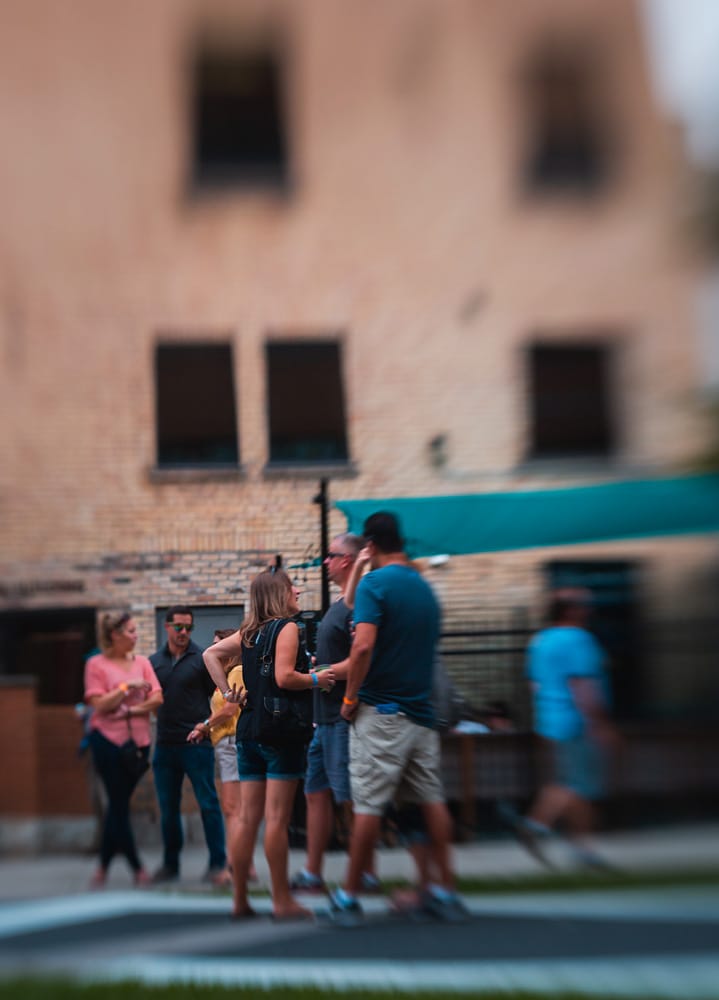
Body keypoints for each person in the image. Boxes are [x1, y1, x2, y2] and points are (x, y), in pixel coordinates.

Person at [331, 511, 467, 924]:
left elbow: (362, 647)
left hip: (382, 713)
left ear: (370, 546)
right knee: (431, 800)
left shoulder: (375, 584)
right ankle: (445, 890)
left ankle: (349, 897)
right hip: (421, 714)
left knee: (368, 806)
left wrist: (350, 698)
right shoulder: (424, 588)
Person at [203, 570, 336, 920]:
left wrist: (228, 693)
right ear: (279, 594)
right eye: (292, 587)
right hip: (280, 732)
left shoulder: (249, 632)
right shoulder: (286, 628)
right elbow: (284, 677)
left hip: (248, 732)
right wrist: (317, 679)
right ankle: (282, 901)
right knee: (276, 818)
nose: (297, 591)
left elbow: (210, 654)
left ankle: (239, 900)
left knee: (247, 818)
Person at [290, 534, 380, 895]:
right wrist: (320, 664)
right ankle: (313, 874)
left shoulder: (358, 604)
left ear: (347, 561)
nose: (325, 561)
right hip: (322, 720)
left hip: (343, 720)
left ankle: (366, 874)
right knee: (315, 793)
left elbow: (361, 659)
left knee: (350, 799)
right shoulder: (340, 603)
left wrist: (321, 671)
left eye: (331, 555)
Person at [511, 587, 618, 868]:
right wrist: (600, 723)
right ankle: (535, 824)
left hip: (549, 721)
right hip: (576, 722)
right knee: (575, 784)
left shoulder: (540, 641)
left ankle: (583, 849)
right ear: (571, 610)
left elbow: (534, 684)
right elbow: (582, 684)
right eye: (584, 604)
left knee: (577, 786)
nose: (588, 609)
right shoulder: (579, 639)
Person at [150, 605, 230, 885]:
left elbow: (219, 697)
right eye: (178, 627)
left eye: (188, 627)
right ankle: (170, 865)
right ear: (167, 627)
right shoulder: (153, 662)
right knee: (168, 809)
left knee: (208, 804)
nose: (184, 632)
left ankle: (218, 865)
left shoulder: (202, 659)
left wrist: (206, 725)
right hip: (165, 745)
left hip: (196, 744)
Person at [83, 611, 163, 888]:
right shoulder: (96, 664)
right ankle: (137, 868)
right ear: (114, 635)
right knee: (118, 803)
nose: (135, 636)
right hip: (106, 741)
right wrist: (126, 687)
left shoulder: (142, 663)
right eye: (130, 631)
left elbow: (157, 698)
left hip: (138, 745)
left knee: (117, 805)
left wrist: (129, 710)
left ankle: (103, 866)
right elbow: (99, 705)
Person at [187, 628, 256, 883]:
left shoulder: (237, 671)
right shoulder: (226, 675)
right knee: (237, 810)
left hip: (231, 743)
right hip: (227, 744)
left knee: (232, 809)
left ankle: (234, 868)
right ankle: (246, 867)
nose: (215, 648)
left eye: (219, 644)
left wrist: (204, 725)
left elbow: (229, 709)